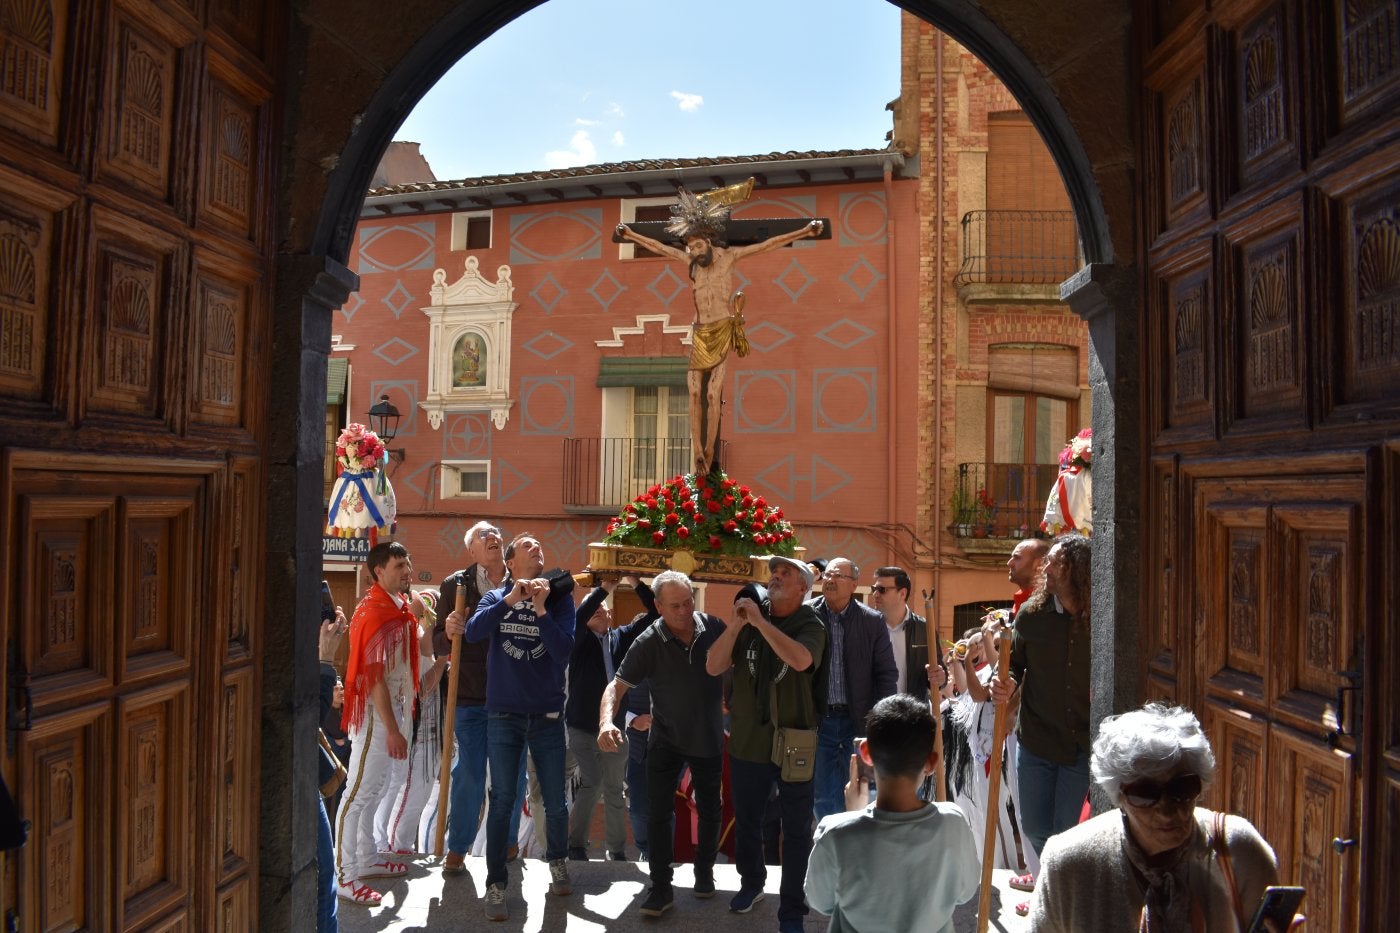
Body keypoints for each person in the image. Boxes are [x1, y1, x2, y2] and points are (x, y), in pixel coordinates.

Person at [1030, 703, 1299, 932]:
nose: (1167, 810)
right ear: (1120, 797)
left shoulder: (1239, 851)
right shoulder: (1068, 863)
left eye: (1181, 790)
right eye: (1145, 793)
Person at [616, 189, 823, 473]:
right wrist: (630, 235)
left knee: (713, 394)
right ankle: (698, 452)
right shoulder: (692, 264)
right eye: (691, 249)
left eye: (699, 247)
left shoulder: (729, 257)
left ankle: (711, 449)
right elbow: (661, 248)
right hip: (700, 331)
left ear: (710, 242)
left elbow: (768, 244)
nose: (694, 252)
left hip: (722, 328)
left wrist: (804, 232)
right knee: (691, 391)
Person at [457, 533, 576, 921]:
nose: (537, 547)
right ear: (510, 562)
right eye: (527, 545)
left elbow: (562, 652)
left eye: (540, 545)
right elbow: (474, 633)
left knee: (555, 801)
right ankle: (495, 885)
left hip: (546, 716)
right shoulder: (495, 597)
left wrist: (541, 610)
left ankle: (557, 861)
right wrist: (512, 600)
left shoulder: (559, 600)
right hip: (503, 714)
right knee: (503, 799)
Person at [706, 555, 826, 933]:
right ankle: (751, 884)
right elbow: (713, 665)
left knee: (795, 829)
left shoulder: (811, 623)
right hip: (748, 740)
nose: (775, 578)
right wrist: (739, 625)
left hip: (794, 742)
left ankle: (791, 908)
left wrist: (761, 623)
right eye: (774, 574)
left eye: (785, 574)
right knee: (748, 822)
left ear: (803, 588)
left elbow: (802, 659)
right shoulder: (750, 620)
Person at [599, 570, 727, 918]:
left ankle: (704, 872)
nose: (685, 611)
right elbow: (617, 687)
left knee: (711, 809)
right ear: (657, 606)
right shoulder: (648, 641)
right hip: (665, 740)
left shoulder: (714, 626)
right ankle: (660, 887)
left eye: (688, 602)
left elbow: (737, 667)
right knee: (658, 813)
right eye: (675, 606)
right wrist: (607, 721)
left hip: (708, 736)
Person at [804, 695, 979, 932]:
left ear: (866, 752)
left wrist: (853, 816)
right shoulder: (954, 824)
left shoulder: (836, 834)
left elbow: (820, 901)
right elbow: (965, 892)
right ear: (931, 763)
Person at [991, 535, 1092, 871]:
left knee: (1065, 832)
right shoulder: (1031, 616)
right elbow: (1015, 665)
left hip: (1080, 743)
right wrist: (1005, 682)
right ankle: (1055, 884)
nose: (1046, 567)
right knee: (1034, 828)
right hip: (1035, 740)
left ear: (1077, 571)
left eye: (1056, 563)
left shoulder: (1098, 619)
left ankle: (1056, 897)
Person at [334, 541, 425, 906]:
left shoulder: (397, 606)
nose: (407, 570)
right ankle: (345, 875)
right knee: (357, 793)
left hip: (391, 710)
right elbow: (373, 681)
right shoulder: (375, 612)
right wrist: (392, 729)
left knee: (375, 788)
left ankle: (367, 858)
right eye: (399, 565)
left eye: (408, 562)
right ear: (378, 572)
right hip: (375, 715)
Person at [437, 521, 524, 873]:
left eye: (496, 534)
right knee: (470, 773)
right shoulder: (454, 585)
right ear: (471, 550)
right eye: (483, 536)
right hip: (470, 696)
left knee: (511, 777)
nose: (492, 538)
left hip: (512, 697)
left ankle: (507, 842)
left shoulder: (520, 582)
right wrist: (448, 629)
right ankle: (457, 847)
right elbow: (438, 644)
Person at [807, 558, 897, 821]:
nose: (830, 580)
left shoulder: (871, 621)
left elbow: (886, 674)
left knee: (859, 788)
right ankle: (829, 839)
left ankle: (854, 843)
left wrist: (882, 719)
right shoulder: (807, 615)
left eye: (838, 575)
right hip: (818, 720)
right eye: (827, 575)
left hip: (857, 720)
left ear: (854, 583)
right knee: (821, 791)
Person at [376, 590, 448, 855]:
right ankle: (393, 847)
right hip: (414, 737)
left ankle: (400, 845)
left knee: (419, 796)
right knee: (406, 794)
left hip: (431, 739)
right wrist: (441, 663)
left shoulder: (425, 651)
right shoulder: (414, 650)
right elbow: (421, 689)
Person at [565, 578, 629, 862]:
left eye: (604, 610)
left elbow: (654, 615)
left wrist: (636, 583)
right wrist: (604, 588)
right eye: (595, 611)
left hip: (615, 728)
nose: (599, 613)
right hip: (581, 726)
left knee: (615, 788)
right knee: (592, 779)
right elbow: (580, 615)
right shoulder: (578, 639)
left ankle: (615, 851)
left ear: (612, 615)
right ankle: (576, 845)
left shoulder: (621, 638)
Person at [868, 566, 929, 698]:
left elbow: (938, 677)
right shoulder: (866, 626)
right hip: (875, 712)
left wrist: (940, 677)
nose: (875, 594)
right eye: (874, 589)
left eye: (881, 590)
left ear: (902, 593)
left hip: (910, 712)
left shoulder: (923, 628)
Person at [1006, 537, 1049, 615]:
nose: (1009, 563)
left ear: (1039, 563)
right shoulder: (1022, 597)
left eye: (1017, 558)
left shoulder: (1045, 604)